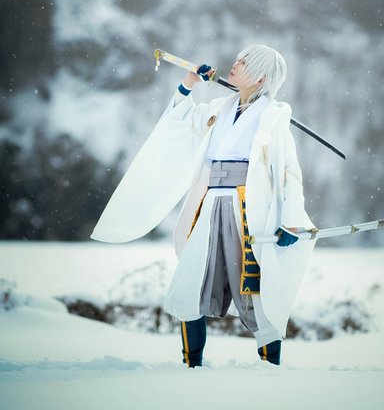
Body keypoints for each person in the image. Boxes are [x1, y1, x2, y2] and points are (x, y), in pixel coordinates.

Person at [90, 44, 315, 367]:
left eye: (244, 62)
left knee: (257, 289)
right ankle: (192, 365)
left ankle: (270, 368)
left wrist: (291, 220)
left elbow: (290, 173)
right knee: (190, 280)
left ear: (262, 78)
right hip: (208, 206)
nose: (235, 64)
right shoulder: (218, 109)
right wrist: (189, 84)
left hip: (250, 211)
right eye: (237, 59)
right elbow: (179, 122)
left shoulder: (273, 117)